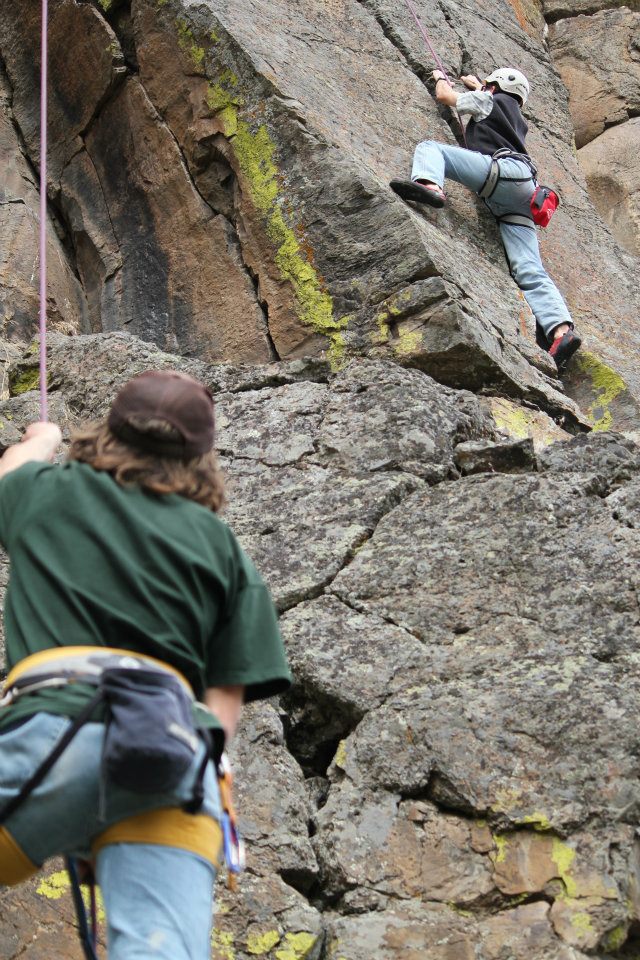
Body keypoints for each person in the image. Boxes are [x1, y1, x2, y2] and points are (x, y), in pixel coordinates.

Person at [0, 370, 292, 959]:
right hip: (175, 755)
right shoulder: (221, 546)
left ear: (109, 428)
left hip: (60, 723)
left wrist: (40, 439)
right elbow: (224, 701)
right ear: (201, 456)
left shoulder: (46, 492)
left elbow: (10, 469)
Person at [390, 67, 581, 370]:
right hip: (525, 193)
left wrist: (441, 76)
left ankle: (431, 187)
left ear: (495, 87)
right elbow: (487, 98)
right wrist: (479, 85)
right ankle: (561, 332)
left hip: (501, 174)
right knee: (529, 268)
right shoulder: (514, 114)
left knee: (431, 149)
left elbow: (446, 96)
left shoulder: (487, 99)